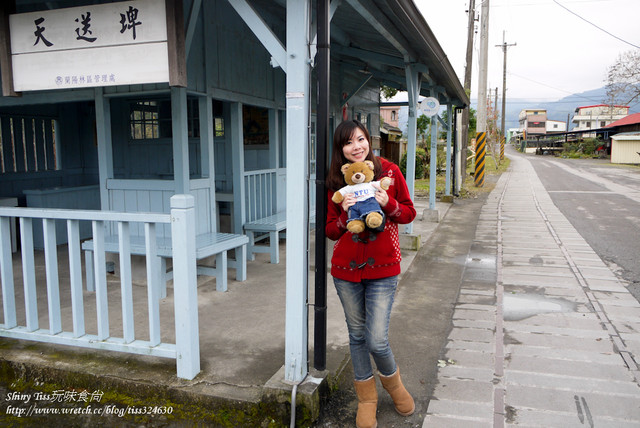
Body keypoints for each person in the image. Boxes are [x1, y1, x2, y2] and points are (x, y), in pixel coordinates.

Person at [326, 119, 416, 428]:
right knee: (356, 336)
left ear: (369, 141)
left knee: (376, 340)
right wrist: (342, 215)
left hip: (383, 269)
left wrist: (387, 203)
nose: (356, 146)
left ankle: (394, 386)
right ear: (341, 149)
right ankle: (367, 399)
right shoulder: (337, 181)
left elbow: (408, 212)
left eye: (361, 139)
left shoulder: (389, 171)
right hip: (345, 272)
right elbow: (330, 231)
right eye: (348, 142)